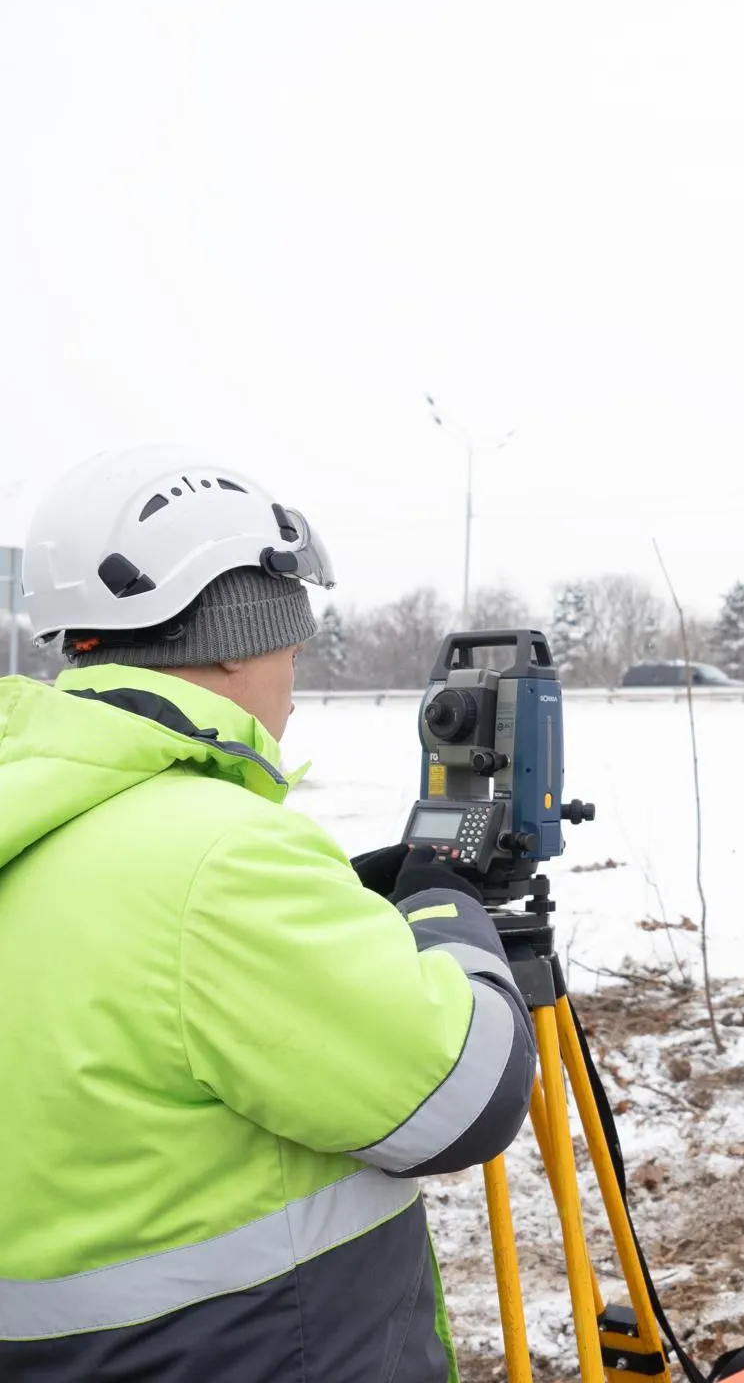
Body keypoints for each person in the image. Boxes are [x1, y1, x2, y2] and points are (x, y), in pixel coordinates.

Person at [0, 446, 535, 1382]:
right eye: (293, 641)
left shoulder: (34, 811)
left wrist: (341, 916)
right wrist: (451, 915)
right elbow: (468, 1102)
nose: (294, 672)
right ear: (240, 635)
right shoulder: (225, 856)